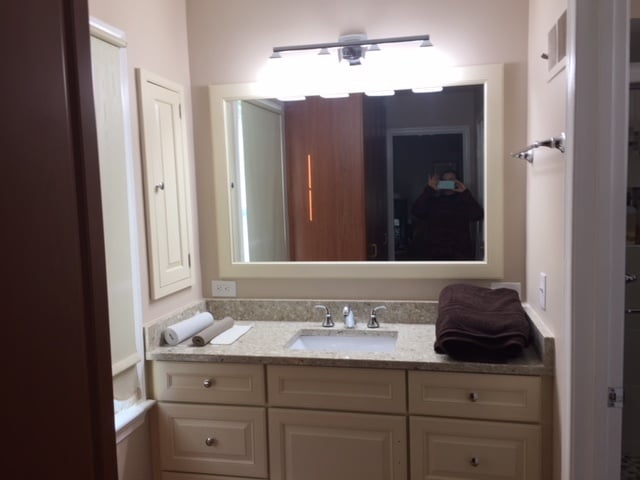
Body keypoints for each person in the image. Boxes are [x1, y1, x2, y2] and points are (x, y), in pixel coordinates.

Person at [409, 170, 484, 260]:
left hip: (460, 253)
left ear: (457, 182)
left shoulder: (463, 201)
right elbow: (416, 212)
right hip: (435, 252)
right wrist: (429, 189)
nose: (448, 182)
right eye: (444, 180)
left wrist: (465, 192)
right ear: (440, 182)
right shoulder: (433, 201)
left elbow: (477, 215)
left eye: (451, 180)